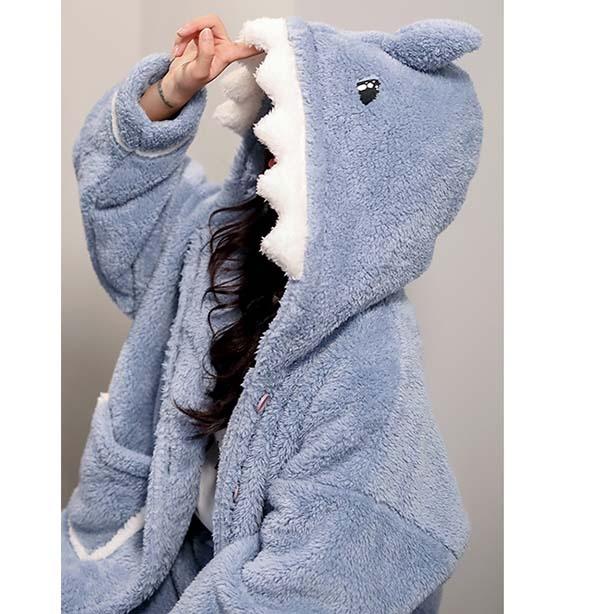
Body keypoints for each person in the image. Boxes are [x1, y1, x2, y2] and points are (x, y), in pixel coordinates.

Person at [62, 13, 483, 614]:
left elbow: (313, 581)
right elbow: (124, 209)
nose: (273, 148)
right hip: (155, 550)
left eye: (297, 136)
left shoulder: (371, 358)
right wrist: (172, 92)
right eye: (274, 128)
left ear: (369, 177)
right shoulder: (220, 244)